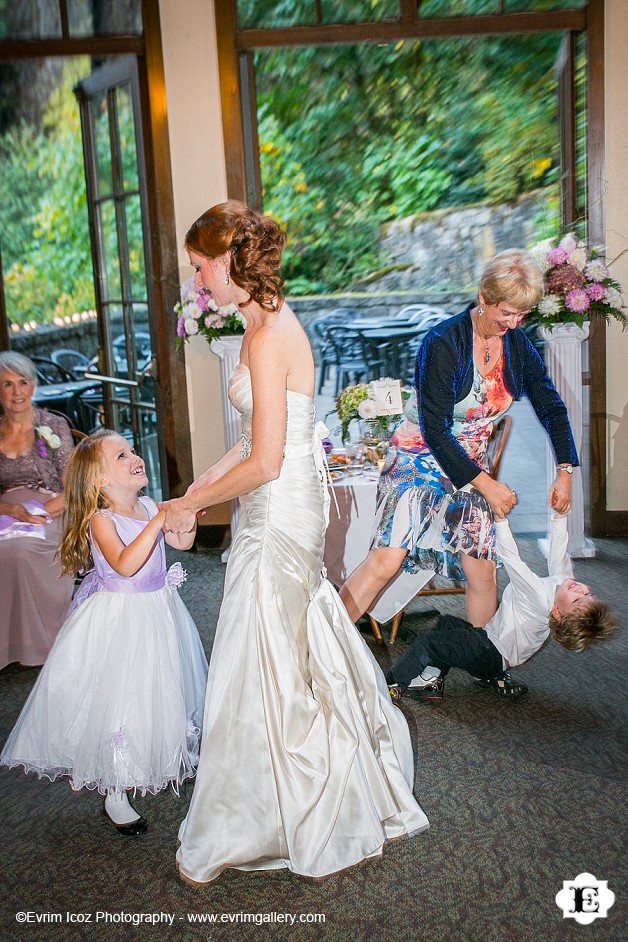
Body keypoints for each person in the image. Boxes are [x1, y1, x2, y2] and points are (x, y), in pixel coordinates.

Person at [160, 201, 429, 884]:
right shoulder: (256, 324)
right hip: (269, 502)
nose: (197, 283)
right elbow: (248, 444)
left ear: (227, 261)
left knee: (267, 644)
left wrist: (195, 501)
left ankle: (288, 804)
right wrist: (189, 492)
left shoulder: (274, 332)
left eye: (199, 268)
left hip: (280, 507)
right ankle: (270, 793)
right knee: (275, 643)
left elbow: (268, 462)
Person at [339, 249, 579, 630]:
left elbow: (551, 405)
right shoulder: (443, 343)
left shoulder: (516, 345)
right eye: (507, 313)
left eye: (522, 315)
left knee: (483, 570)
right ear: (483, 298)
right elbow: (434, 431)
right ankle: (319, 649)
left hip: (469, 464)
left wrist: (565, 469)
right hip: (417, 457)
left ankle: (486, 661)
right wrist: (488, 485)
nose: (515, 324)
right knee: (388, 560)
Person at [1, 429, 208, 835]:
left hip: (158, 612)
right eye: (120, 456)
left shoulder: (148, 504)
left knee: (156, 688)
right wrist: (159, 521)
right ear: (99, 481)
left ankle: (154, 756)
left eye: (132, 450)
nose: (134, 457)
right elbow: (126, 564)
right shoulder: (102, 520)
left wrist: (183, 520)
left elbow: (180, 545)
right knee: (121, 698)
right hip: (119, 619)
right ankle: (115, 789)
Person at [386, 511, 616, 701]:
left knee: (428, 644)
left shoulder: (538, 595)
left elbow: (512, 559)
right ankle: (434, 680)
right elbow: (559, 552)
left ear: (556, 613)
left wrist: (500, 520)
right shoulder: (563, 586)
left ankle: (392, 686)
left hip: (489, 651)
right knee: (448, 624)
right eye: (588, 593)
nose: (581, 590)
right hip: (493, 652)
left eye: (578, 599)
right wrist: (559, 515)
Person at [0, 351, 75, 670]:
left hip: (53, 507)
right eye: (7, 384)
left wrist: (37, 513)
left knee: (20, 550)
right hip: (6, 509)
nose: (16, 392)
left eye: (23, 382)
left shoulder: (53, 425)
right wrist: (11, 510)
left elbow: (74, 485)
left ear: (33, 386)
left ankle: (39, 642)